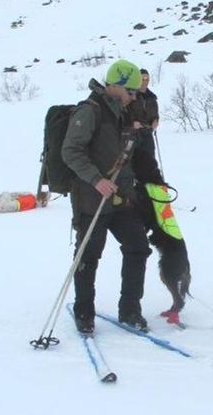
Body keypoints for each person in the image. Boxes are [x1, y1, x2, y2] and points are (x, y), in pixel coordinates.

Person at [62, 59, 164, 334]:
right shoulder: (89, 111)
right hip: (91, 198)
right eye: (131, 91)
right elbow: (71, 151)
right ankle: (84, 312)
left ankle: (130, 309)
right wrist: (97, 180)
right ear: (116, 85)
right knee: (89, 255)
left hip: (122, 197)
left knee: (138, 247)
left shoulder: (123, 112)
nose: (134, 96)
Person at [129, 69, 160, 157]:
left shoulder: (152, 97)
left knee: (149, 161)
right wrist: (132, 123)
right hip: (132, 135)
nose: (145, 82)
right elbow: (123, 114)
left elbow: (155, 114)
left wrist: (155, 121)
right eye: (142, 79)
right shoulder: (130, 96)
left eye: (147, 79)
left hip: (147, 134)